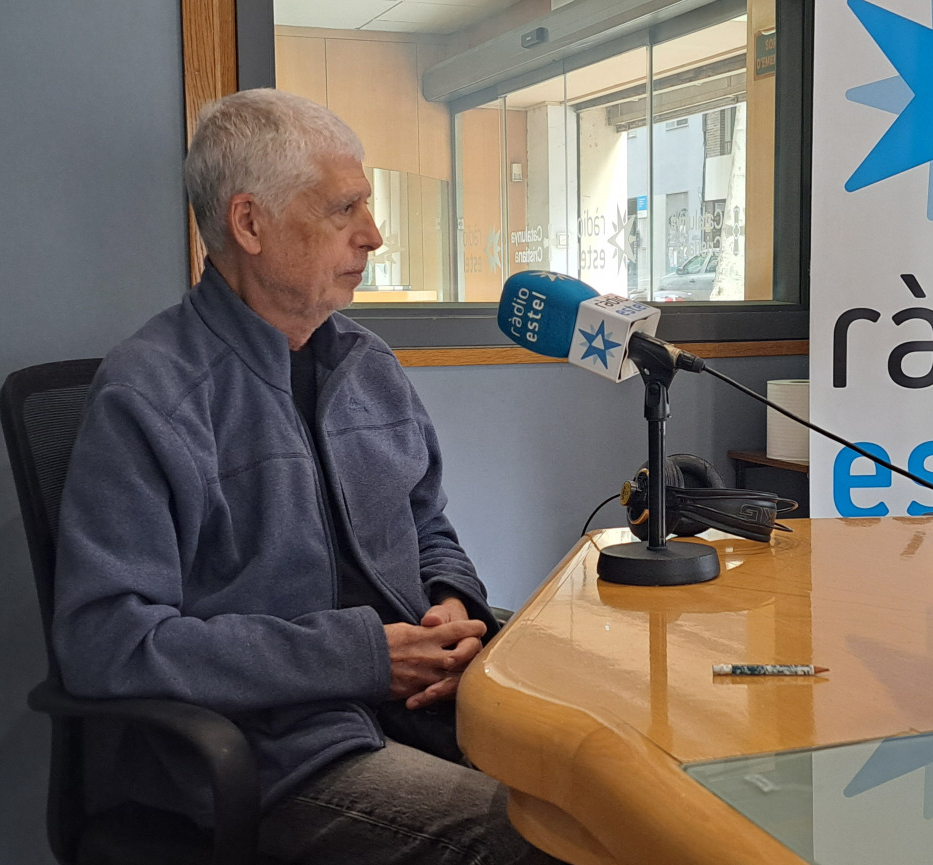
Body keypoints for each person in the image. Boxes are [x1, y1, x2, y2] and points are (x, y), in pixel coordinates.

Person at [52, 88, 560, 864]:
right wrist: (364, 657)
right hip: (275, 751)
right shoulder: (149, 393)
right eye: (344, 208)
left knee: (612, 792)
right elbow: (108, 643)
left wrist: (451, 607)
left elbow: (428, 528)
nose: (374, 234)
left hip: (416, 708)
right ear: (249, 224)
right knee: (536, 839)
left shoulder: (369, 366)